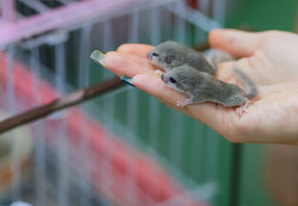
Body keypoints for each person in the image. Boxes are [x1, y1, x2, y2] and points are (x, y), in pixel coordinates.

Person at [99, 29, 298, 145]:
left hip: (232, 95)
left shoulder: (197, 90)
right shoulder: (189, 74)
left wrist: (188, 100)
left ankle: (244, 101)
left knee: (236, 98)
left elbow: (197, 96)